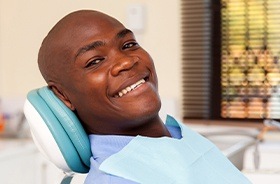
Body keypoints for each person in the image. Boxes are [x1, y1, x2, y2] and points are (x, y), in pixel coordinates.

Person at [38, 10, 251, 184]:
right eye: (94, 61)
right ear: (63, 95)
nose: (126, 62)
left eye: (128, 45)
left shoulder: (179, 136)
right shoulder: (118, 178)